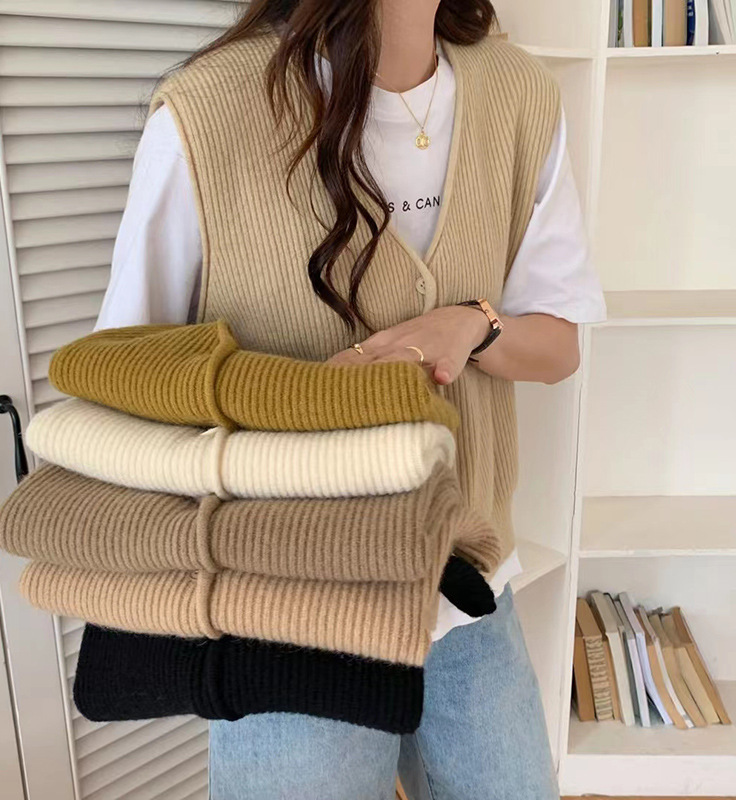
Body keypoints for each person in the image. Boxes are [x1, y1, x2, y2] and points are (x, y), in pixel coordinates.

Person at [94, 1, 607, 797]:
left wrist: (470, 326)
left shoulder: (519, 91)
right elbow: (126, 384)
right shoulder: (208, 113)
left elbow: (558, 346)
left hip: (468, 584)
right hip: (289, 607)